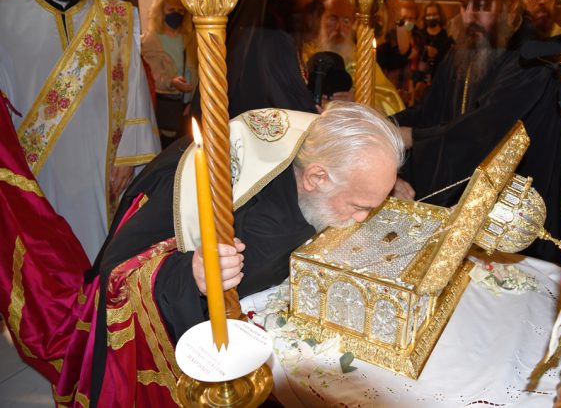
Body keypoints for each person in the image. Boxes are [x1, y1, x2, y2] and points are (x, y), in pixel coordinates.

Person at [0, 101, 404, 406]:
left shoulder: (317, 157)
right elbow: (119, 276)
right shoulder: (225, 198)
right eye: (360, 206)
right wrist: (190, 273)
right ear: (316, 177)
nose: (362, 218)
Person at [392, 0, 561, 263]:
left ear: (510, 6)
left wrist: (411, 137)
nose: (470, 16)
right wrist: (386, 125)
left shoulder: (533, 57)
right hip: (462, 207)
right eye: (464, 5)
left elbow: (482, 130)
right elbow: (428, 111)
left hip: (511, 218)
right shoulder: (462, 52)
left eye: (482, 5)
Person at [0, 0, 161, 262]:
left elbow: (135, 86)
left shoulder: (117, 16)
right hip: (31, 174)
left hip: (100, 171)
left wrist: (128, 154)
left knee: (96, 260)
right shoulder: (4, 11)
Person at [305, 0, 406, 116]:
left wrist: (358, 99)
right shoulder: (305, 54)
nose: (339, 28)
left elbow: (389, 99)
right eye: (333, 19)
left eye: (346, 20)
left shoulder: (362, 58)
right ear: (320, 19)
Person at [142, 0, 198, 147]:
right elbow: (150, 78)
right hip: (167, 110)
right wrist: (171, 81)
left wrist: (193, 102)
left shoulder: (191, 38)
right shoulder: (150, 40)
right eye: (171, 9)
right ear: (161, 11)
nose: (177, 14)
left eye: (181, 10)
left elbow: (199, 72)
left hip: (189, 109)